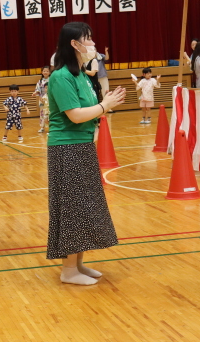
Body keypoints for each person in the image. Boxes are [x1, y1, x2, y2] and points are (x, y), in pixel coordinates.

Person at [47, 22, 126, 285]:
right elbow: (75, 115)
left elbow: (92, 110)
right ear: (74, 44)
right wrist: (105, 105)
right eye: (88, 39)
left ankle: (78, 264)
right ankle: (68, 270)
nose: (92, 43)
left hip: (82, 146)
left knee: (84, 207)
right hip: (66, 148)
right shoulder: (61, 76)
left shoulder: (81, 74)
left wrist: (106, 103)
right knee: (72, 208)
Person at [32, 66, 51, 133]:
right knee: (42, 113)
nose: (45, 72)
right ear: (42, 72)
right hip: (42, 98)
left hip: (50, 99)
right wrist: (36, 94)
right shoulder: (40, 81)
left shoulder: (51, 80)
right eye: (44, 71)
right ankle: (42, 127)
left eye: (47, 71)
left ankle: (51, 127)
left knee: (49, 114)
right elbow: (38, 90)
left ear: (50, 72)